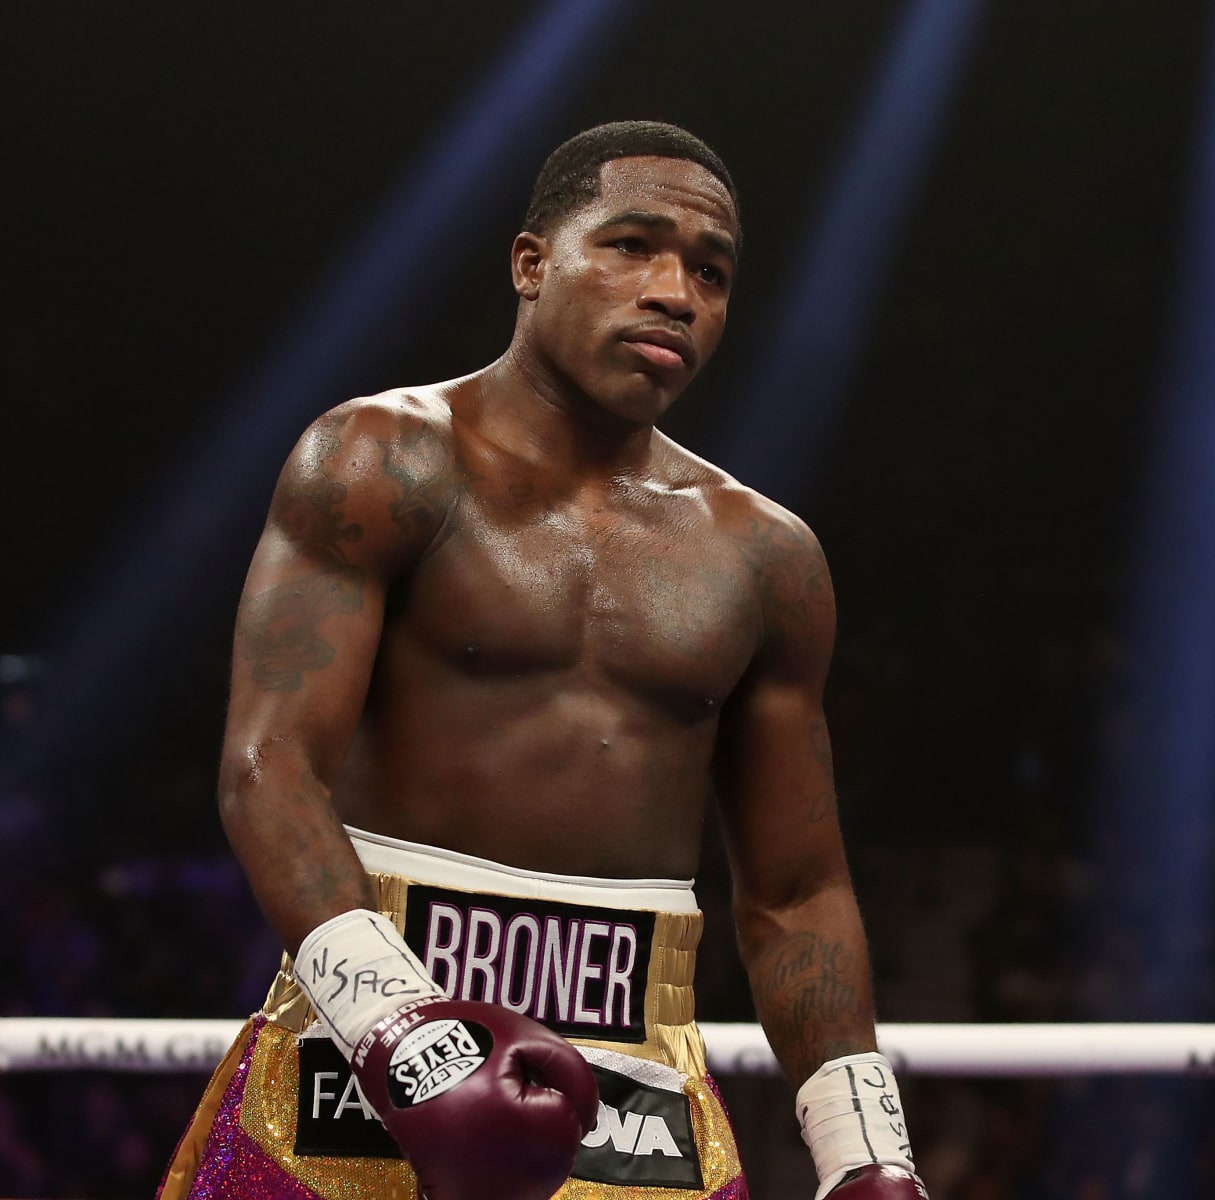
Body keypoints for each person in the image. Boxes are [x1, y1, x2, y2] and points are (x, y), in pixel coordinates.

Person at [158, 120, 925, 1200]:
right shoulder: (383, 459)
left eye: (711, 271)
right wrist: (407, 1039)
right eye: (632, 247)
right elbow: (267, 766)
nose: (676, 292)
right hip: (362, 1051)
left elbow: (798, 890)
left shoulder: (767, 558)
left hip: (632, 1077)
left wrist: (864, 1156)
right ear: (531, 264)